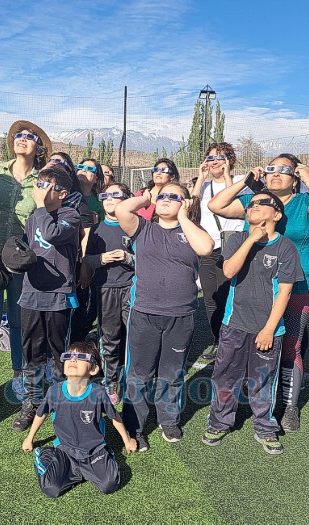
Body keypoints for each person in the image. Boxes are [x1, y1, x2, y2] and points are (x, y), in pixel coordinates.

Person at [208, 153, 309, 432]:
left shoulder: (305, 203)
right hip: (253, 286)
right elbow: (216, 205)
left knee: (291, 344)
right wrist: (245, 181)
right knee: (249, 344)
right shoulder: (253, 202)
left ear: (295, 177)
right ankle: (252, 401)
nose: (277, 174)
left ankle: (289, 406)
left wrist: (308, 178)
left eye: (285, 170)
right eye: (271, 169)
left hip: (297, 285)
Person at [202, 191, 303, 454]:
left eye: (262, 203)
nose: (254, 207)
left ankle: (265, 427)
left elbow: (285, 292)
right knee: (225, 376)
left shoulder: (286, 247)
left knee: (263, 380)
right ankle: (220, 422)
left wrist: (269, 328)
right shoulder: (237, 239)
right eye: (251, 204)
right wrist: (252, 240)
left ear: (277, 214)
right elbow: (229, 271)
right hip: (234, 323)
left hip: (268, 329)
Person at [117, 181, 214, 450]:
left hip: (180, 316)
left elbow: (206, 248)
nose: (167, 199)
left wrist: (184, 216)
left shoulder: (191, 231)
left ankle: (169, 419)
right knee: (139, 373)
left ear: (185, 203)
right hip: (145, 313)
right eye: (164, 196)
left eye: (175, 196)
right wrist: (147, 198)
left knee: (171, 372)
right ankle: (135, 426)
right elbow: (123, 210)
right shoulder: (144, 228)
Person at [0, 120, 52, 409]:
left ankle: (18, 376)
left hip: (22, 260)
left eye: (30, 136)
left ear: (38, 147)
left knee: (19, 321)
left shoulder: (41, 179)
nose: (22, 139)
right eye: (18, 136)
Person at [12, 166, 81, 431]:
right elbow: (31, 247)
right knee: (32, 352)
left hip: (58, 295)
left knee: (57, 353)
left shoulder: (71, 215)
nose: (38, 188)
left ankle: (58, 400)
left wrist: (40, 208)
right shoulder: (33, 217)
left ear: (62, 193)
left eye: (45, 185)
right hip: (31, 293)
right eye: (38, 184)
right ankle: (32, 401)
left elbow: (52, 234)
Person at [21, 341, 136, 497]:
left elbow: (114, 417)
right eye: (69, 357)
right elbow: (41, 414)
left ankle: (86, 469)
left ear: (94, 369)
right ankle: (47, 454)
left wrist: (127, 440)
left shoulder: (98, 393)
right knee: (51, 489)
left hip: (95, 450)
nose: (73, 360)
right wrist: (29, 439)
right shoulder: (54, 392)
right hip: (65, 450)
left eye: (81, 357)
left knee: (110, 484)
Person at [80, 182, 134, 404]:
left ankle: (133, 380)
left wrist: (128, 258)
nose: (110, 199)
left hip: (132, 289)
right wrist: (102, 259)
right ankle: (111, 380)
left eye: (116, 195)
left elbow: (149, 260)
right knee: (110, 338)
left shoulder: (136, 226)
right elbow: (87, 259)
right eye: (106, 195)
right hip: (105, 289)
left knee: (134, 336)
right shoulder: (96, 229)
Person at [191, 142, 246, 361]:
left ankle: (231, 342)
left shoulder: (241, 182)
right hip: (207, 246)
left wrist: (228, 177)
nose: (215, 162)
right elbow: (191, 208)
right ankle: (218, 340)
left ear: (230, 160)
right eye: (211, 158)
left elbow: (233, 204)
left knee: (228, 296)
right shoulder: (202, 186)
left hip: (232, 245)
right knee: (210, 298)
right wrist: (201, 179)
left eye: (220, 157)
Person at [71, 158, 105, 343]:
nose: (84, 171)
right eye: (80, 167)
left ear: (96, 177)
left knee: (82, 303)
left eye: (90, 169)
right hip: (67, 257)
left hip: (87, 258)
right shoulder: (67, 195)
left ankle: (79, 343)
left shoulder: (99, 204)